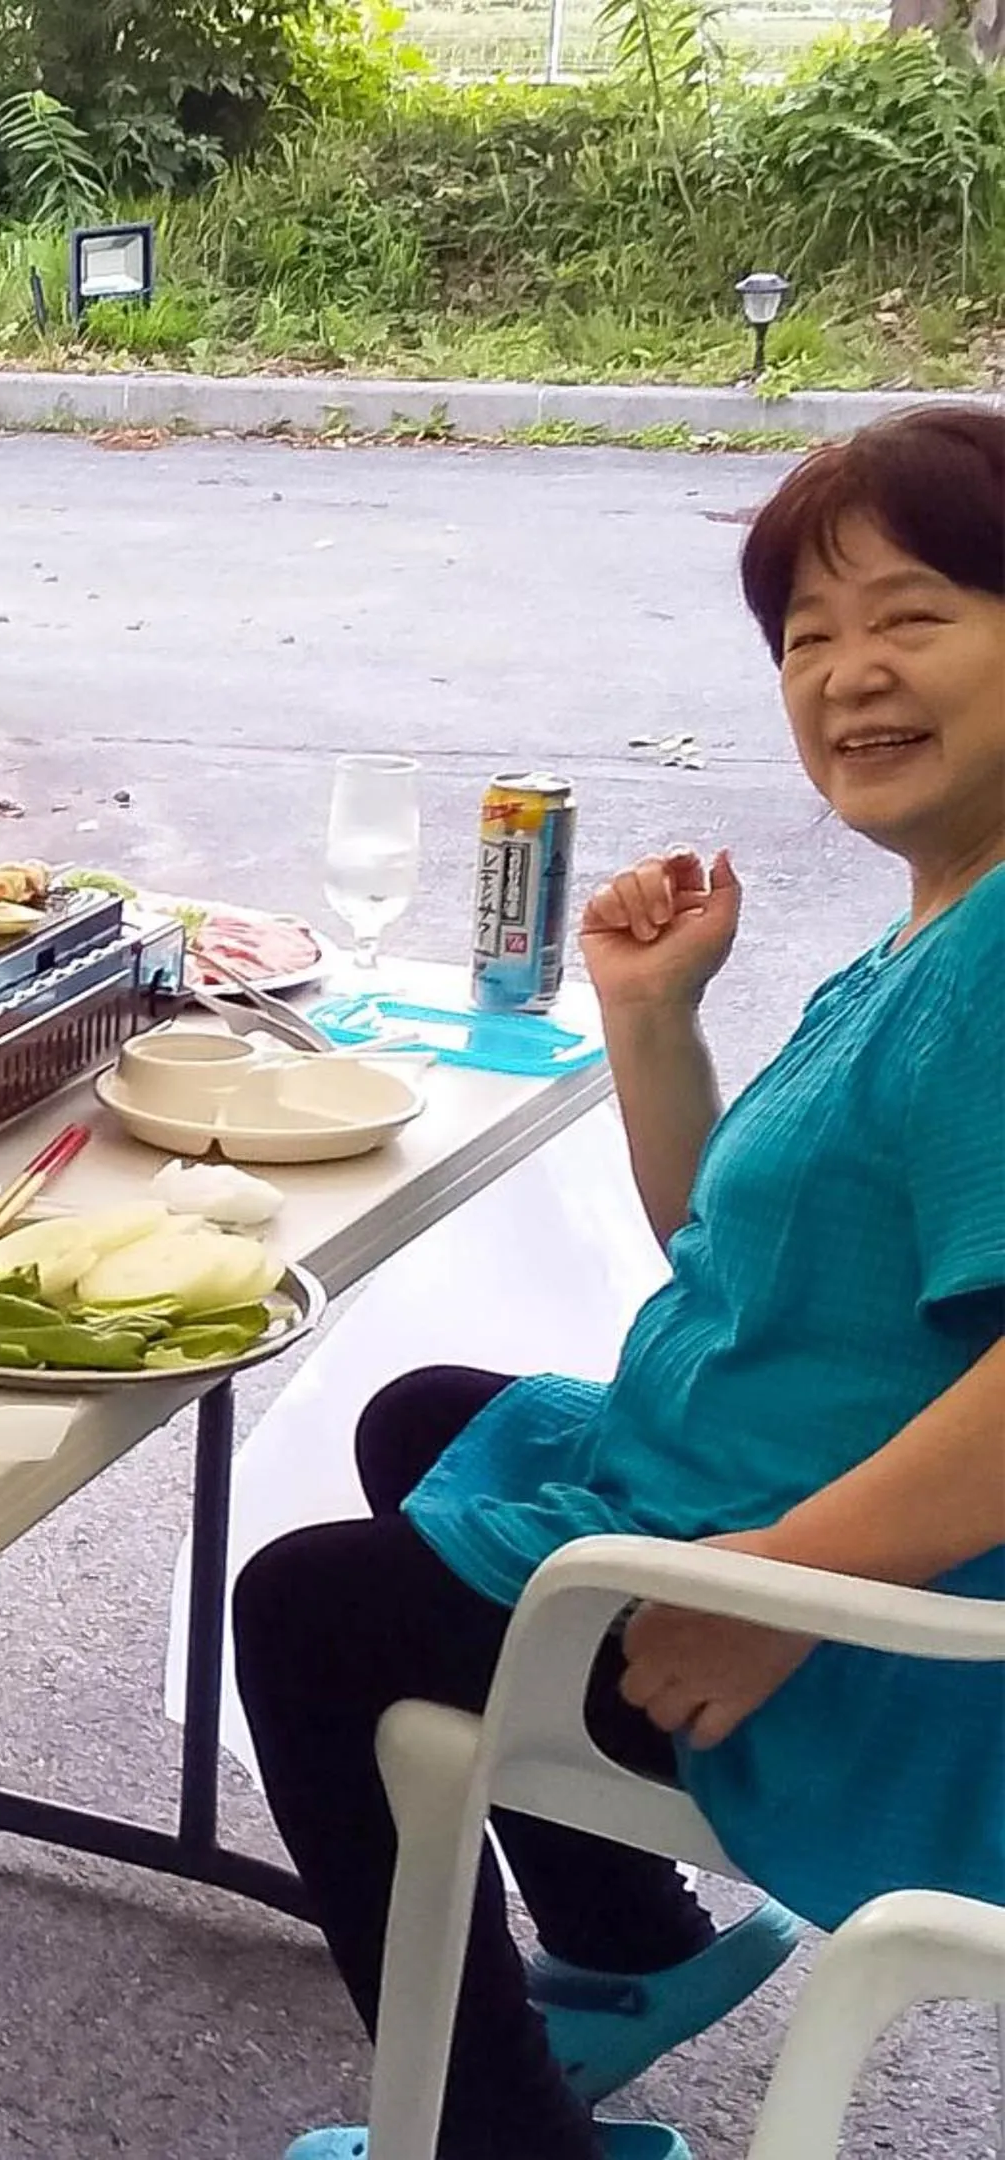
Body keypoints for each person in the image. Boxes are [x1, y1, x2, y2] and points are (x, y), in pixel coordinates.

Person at [232, 403, 1005, 2160]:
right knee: (429, 1416)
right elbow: (740, 1261)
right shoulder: (949, 918)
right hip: (790, 1522)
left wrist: (774, 1593)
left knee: (309, 1611)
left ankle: (495, 2134)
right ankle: (630, 1943)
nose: (848, 675)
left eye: (912, 615)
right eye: (808, 638)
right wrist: (654, 1021)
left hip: (879, 1657)